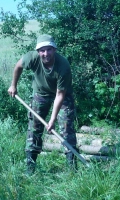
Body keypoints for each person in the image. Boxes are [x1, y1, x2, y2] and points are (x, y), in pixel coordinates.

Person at [8, 34, 78, 173]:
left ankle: (72, 168)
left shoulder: (63, 65)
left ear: (54, 49)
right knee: (34, 126)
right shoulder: (32, 57)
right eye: (42, 50)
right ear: (38, 51)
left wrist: (52, 120)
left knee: (66, 125)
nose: (45, 54)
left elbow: (60, 95)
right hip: (41, 92)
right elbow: (18, 67)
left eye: (49, 49)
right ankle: (30, 167)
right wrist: (13, 85)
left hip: (63, 94)